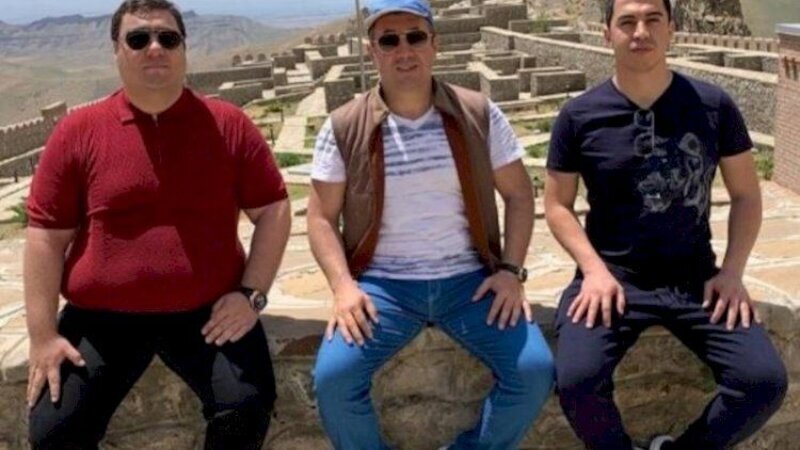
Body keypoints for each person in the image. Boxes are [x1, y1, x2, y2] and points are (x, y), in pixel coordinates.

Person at [24, 1, 291, 448]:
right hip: (101, 319)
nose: (155, 48)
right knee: (54, 432)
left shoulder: (228, 125)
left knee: (246, 407)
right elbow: (46, 237)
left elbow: (274, 210)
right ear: (116, 50)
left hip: (207, 314)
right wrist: (43, 335)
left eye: (168, 38)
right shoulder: (78, 132)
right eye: (138, 39)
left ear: (184, 49)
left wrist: (252, 294)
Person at [306, 0, 555, 448]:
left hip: (470, 282)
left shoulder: (477, 113)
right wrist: (343, 286)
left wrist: (510, 271)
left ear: (434, 44)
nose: (404, 50)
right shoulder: (343, 126)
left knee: (533, 370)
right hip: (383, 287)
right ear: (372, 51)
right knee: (333, 380)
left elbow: (520, 194)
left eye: (415, 36)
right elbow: (320, 217)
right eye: (389, 40)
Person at [544, 0, 787, 449]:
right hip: (612, 278)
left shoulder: (713, 106)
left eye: (653, 19)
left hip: (695, 278)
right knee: (577, 381)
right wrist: (593, 271)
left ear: (672, 28)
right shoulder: (579, 116)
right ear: (607, 34)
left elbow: (746, 195)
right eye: (627, 22)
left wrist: (733, 272)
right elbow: (557, 205)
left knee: (763, 382)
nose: (641, 31)